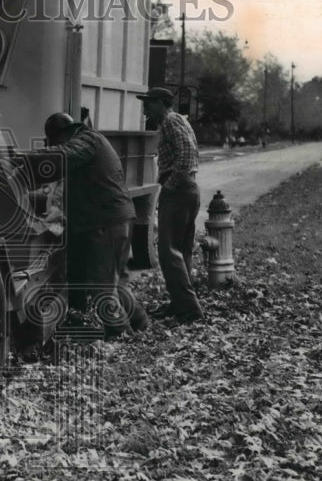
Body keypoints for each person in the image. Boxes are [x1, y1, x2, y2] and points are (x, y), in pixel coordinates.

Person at [17, 112, 148, 338]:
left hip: (104, 222)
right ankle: (140, 322)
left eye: (54, 142)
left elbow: (63, 156)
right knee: (113, 281)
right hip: (114, 219)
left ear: (63, 134)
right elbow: (56, 176)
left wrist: (22, 157)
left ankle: (120, 335)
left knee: (101, 287)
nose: (54, 145)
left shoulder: (87, 140)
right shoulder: (90, 142)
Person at [137, 87, 205, 322]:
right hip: (188, 189)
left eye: (149, 102)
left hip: (178, 189)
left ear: (161, 103)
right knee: (182, 248)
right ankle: (180, 303)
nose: (145, 107)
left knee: (168, 251)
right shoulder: (176, 121)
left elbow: (186, 155)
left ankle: (188, 309)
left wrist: (170, 185)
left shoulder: (169, 121)